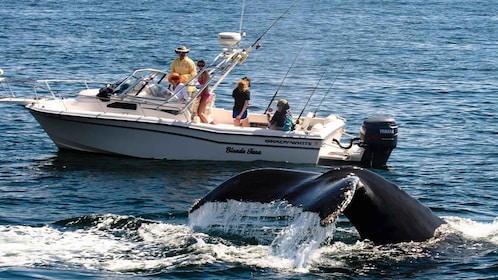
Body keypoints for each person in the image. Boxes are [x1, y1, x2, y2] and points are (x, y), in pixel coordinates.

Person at [196, 59, 211, 123]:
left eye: (202, 65)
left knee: (200, 113)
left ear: (204, 66)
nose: (201, 67)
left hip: (205, 94)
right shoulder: (200, 73)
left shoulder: (205, 73)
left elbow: (204, 86)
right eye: (199, 65)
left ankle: (208, 125)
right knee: (200, 112)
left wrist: (198, 95)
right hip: (202, 94)